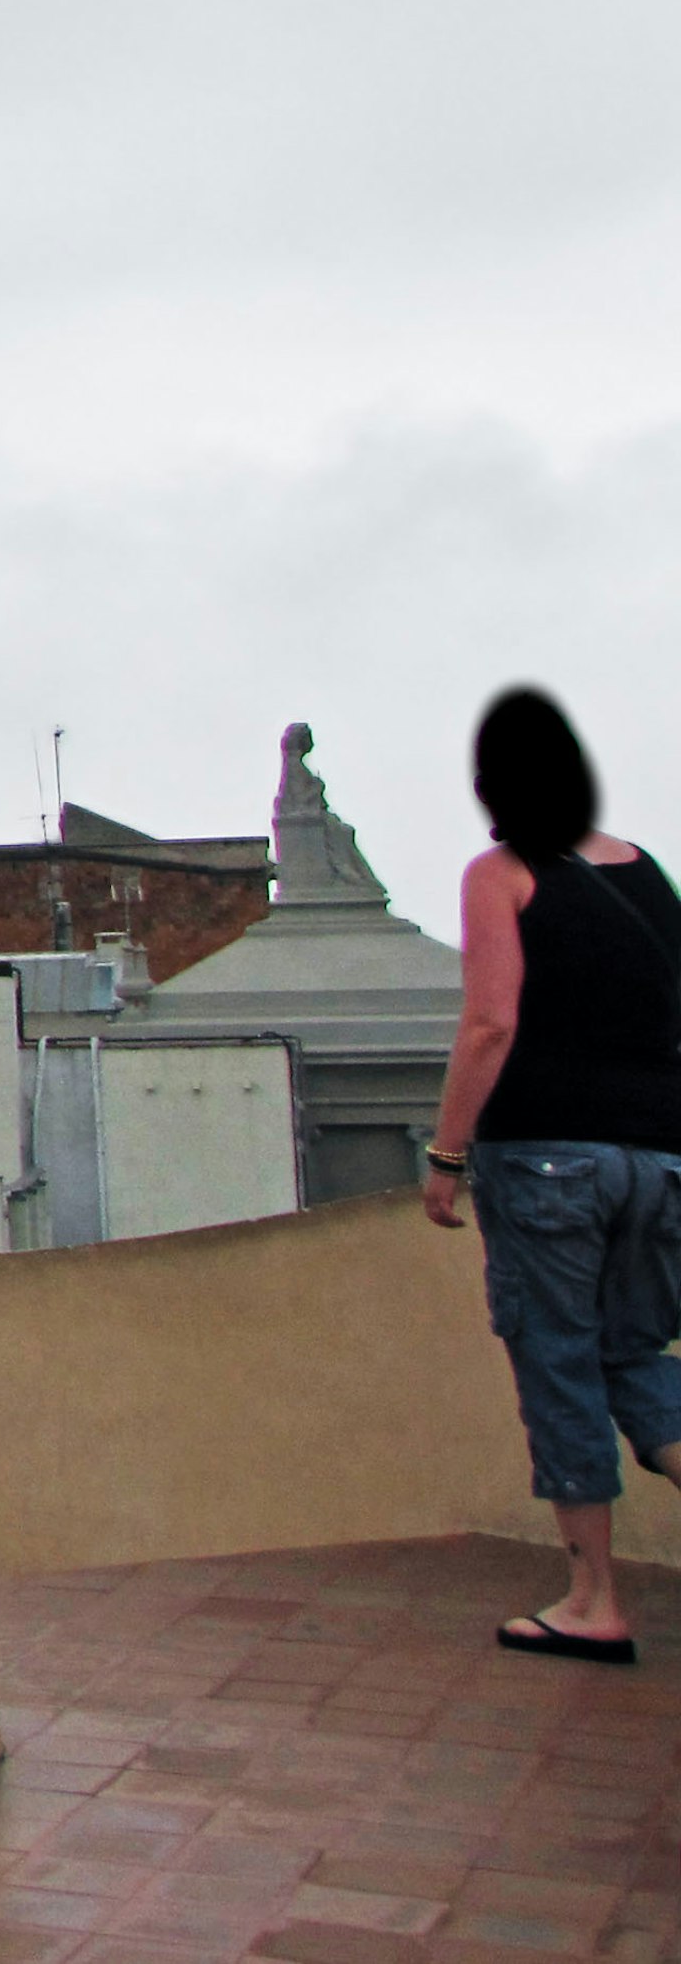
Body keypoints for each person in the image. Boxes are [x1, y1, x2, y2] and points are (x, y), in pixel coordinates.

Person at [422, 687, 681, 1661]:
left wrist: (447, 1154)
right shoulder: (648, 872)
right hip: (661, 1155)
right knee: (632, 1353)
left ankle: (592, 1598)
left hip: (547, 1157)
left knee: (562, 1361)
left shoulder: (501, 872)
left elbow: (490, 1022)